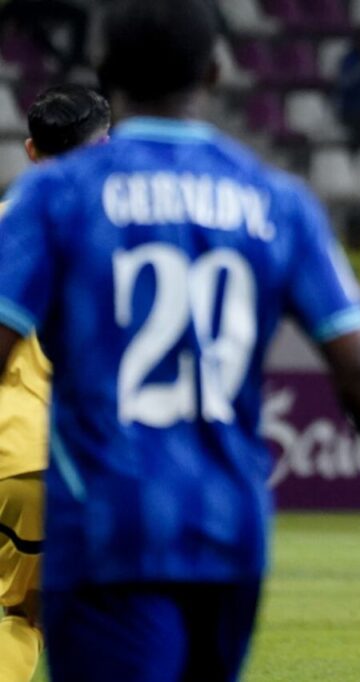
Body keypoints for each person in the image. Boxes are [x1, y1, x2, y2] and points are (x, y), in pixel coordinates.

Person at [0, 2, 360, 680]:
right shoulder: (277, 200)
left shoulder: (54, 196)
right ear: (213, 71)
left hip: (109, 526)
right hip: (231, 531)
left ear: (106, 70)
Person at [0, 82, 110, 682]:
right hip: (48, 459)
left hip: (5, 449)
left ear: (31, 151)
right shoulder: (123, 242)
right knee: (26, 613)